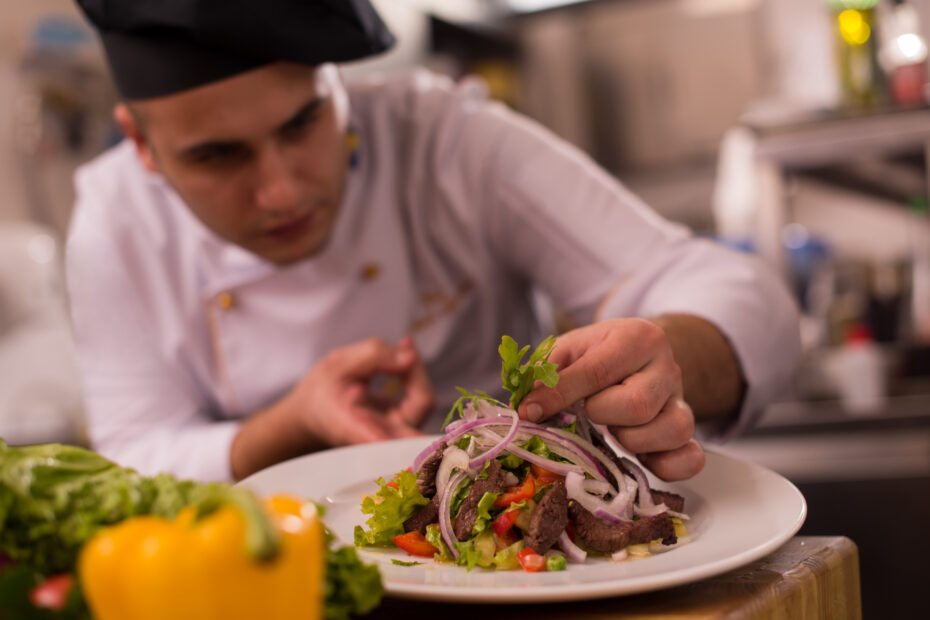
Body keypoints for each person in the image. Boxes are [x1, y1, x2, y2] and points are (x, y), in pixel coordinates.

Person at [66, 0, 800, 483]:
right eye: (218, 155)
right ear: (142, 144)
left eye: (302, 124)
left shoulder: (446, 143)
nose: (282, 190)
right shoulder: (115, 222)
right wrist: (288, 426)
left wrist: (666, 353)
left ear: (338, 87)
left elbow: (738, 292)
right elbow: (133, 455)